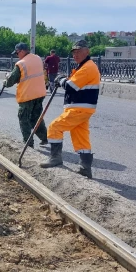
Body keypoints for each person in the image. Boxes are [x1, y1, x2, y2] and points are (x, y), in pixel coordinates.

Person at [40, 39, 100, 179]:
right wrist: (63, 79)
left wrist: (60, 79)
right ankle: (85, 168)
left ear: (87, 51)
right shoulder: (83, 66)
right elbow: (74, 84)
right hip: (81, 108)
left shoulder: (88, 67)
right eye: (74, 52)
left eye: (79, 51)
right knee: (81, 137)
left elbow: (71, 86)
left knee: (55, 127)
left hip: (79, 109)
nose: (76, 54)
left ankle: (55, 158)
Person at [3, 42, 48, 147]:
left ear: (23, 51)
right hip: (40, 93)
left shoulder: (21, 63)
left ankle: (28, 143)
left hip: (28, 95)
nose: (17, 55)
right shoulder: (37, 58)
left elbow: (10, 81)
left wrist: (5, 81)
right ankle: (44, 137)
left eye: (17, 53)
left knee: (24, 118)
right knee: (36, 118)